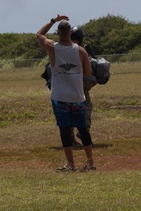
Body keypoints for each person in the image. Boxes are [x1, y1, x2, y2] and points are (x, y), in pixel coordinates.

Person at [36, 15, 96, 172]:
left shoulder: (52, 47)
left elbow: (39, 34)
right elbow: (88, 72)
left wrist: (53, 20)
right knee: (83, 129)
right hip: (77, 96)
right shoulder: (81, 51)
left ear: (58, 33)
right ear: (70, 32)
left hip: (59, 97)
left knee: (64, 130)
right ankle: (90, 162)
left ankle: (71, 164)